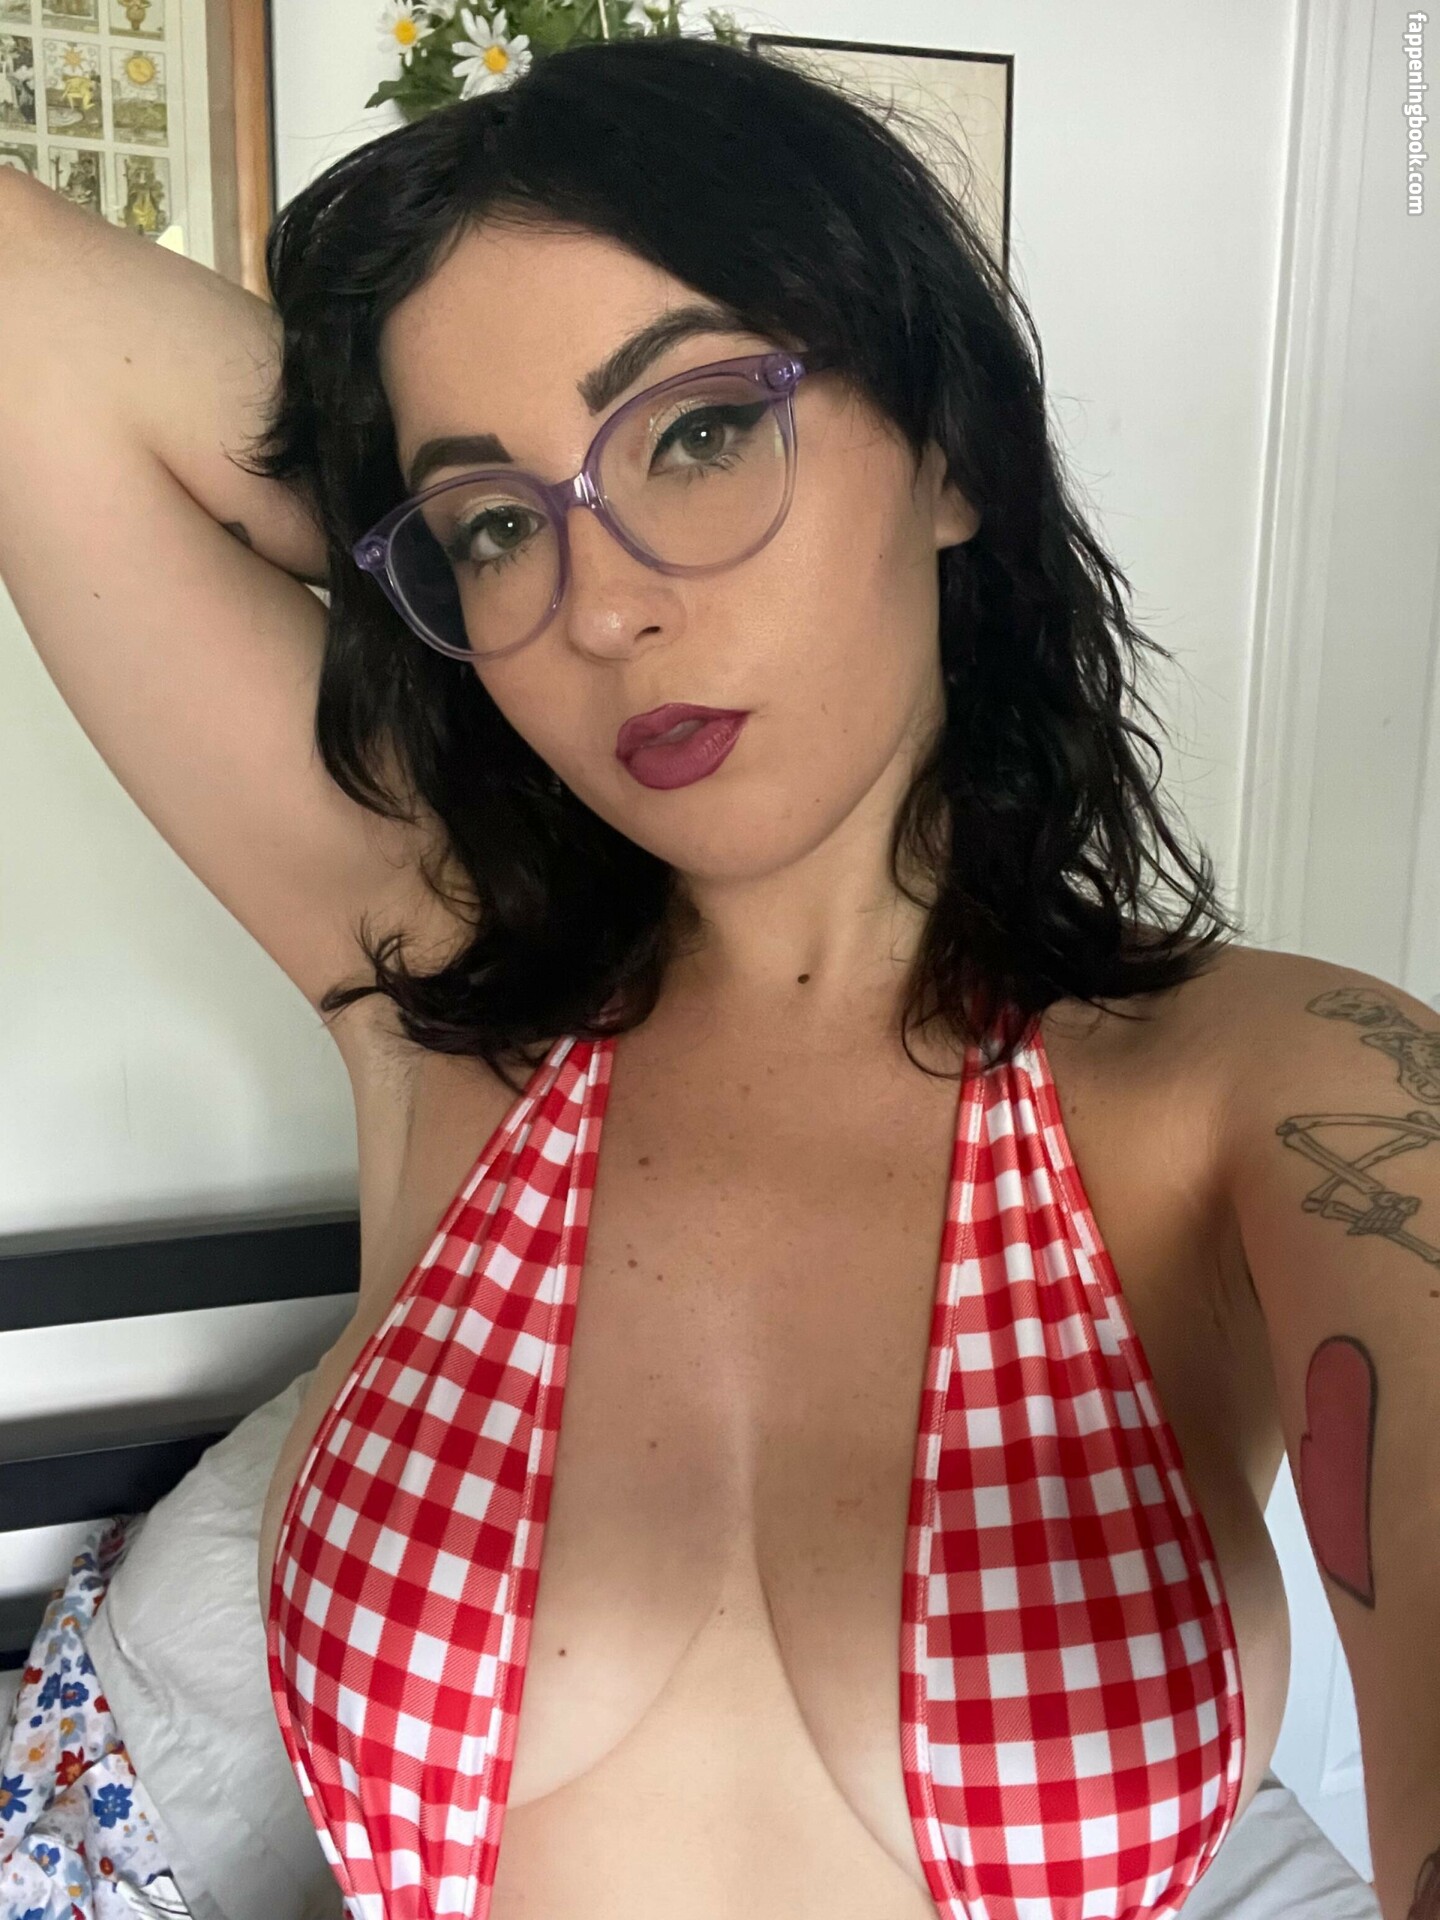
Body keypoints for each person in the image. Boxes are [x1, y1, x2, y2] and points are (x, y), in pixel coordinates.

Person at [2, 33, 1432, 1920]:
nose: (602, 609)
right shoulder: (446, 990)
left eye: (694, 432)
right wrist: (422, 522)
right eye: (495, 525)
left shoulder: (1280, 1091)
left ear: (949, 447)